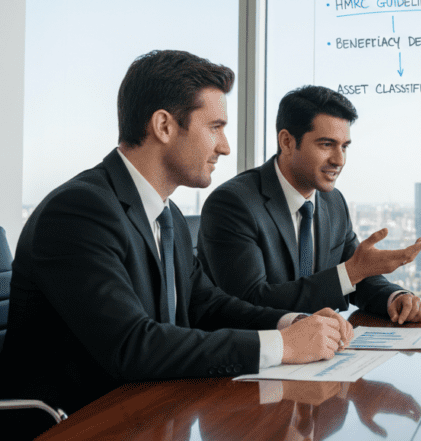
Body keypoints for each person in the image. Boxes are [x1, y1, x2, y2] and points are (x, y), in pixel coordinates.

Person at [0, 51, 353, 437]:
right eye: (215, 127)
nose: (225, 147)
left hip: (152, 412)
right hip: (78, 423)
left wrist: (293, 323)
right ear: (164, 126)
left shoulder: (166, 217)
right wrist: (281, 347)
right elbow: (132, 345)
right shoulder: (79, 212)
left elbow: (205, 305)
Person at [198, 85, 421, 324]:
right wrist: (352, 271)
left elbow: (356, 276)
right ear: (287, 142)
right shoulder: (234, 203)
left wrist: (396, 297)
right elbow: (250, 301)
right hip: (260, 352)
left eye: (344, 146)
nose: (339, 160)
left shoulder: (333, 201)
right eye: (326, 145)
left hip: (323, 347)